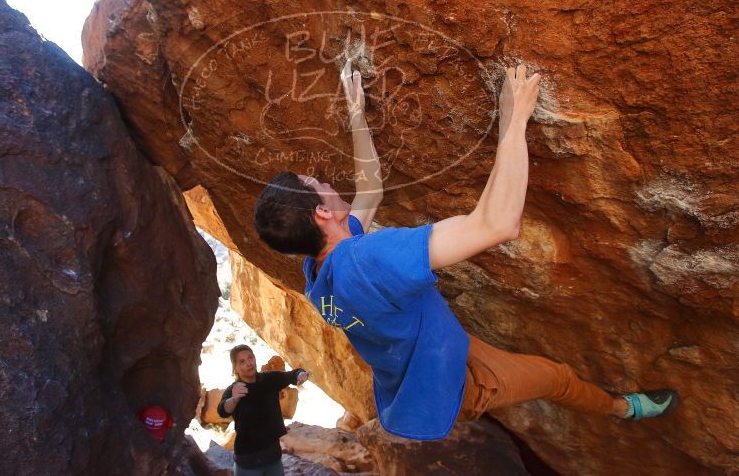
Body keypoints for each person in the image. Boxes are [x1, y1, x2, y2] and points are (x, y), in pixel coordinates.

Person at [253, 60, 679, 440]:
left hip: (427, 355)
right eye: (315, 186)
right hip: (454, 381)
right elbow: (498, 224)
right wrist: (515, 122)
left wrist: (355, 113)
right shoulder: (370, 259)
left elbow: (371, 187)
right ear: (321, 215)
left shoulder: (320, 270)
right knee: (557, 378)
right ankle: (622, 408)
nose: (325, 182)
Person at [217, 344, 310, 475]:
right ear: (235, 368)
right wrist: (234, 399)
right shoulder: (234, 390)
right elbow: (222, 410)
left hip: (273, 457)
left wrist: (300, 374)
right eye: (242, 361)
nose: (248, 363)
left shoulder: (269, 379)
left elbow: (292, 374)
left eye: (250, 358)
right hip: (248, 462)